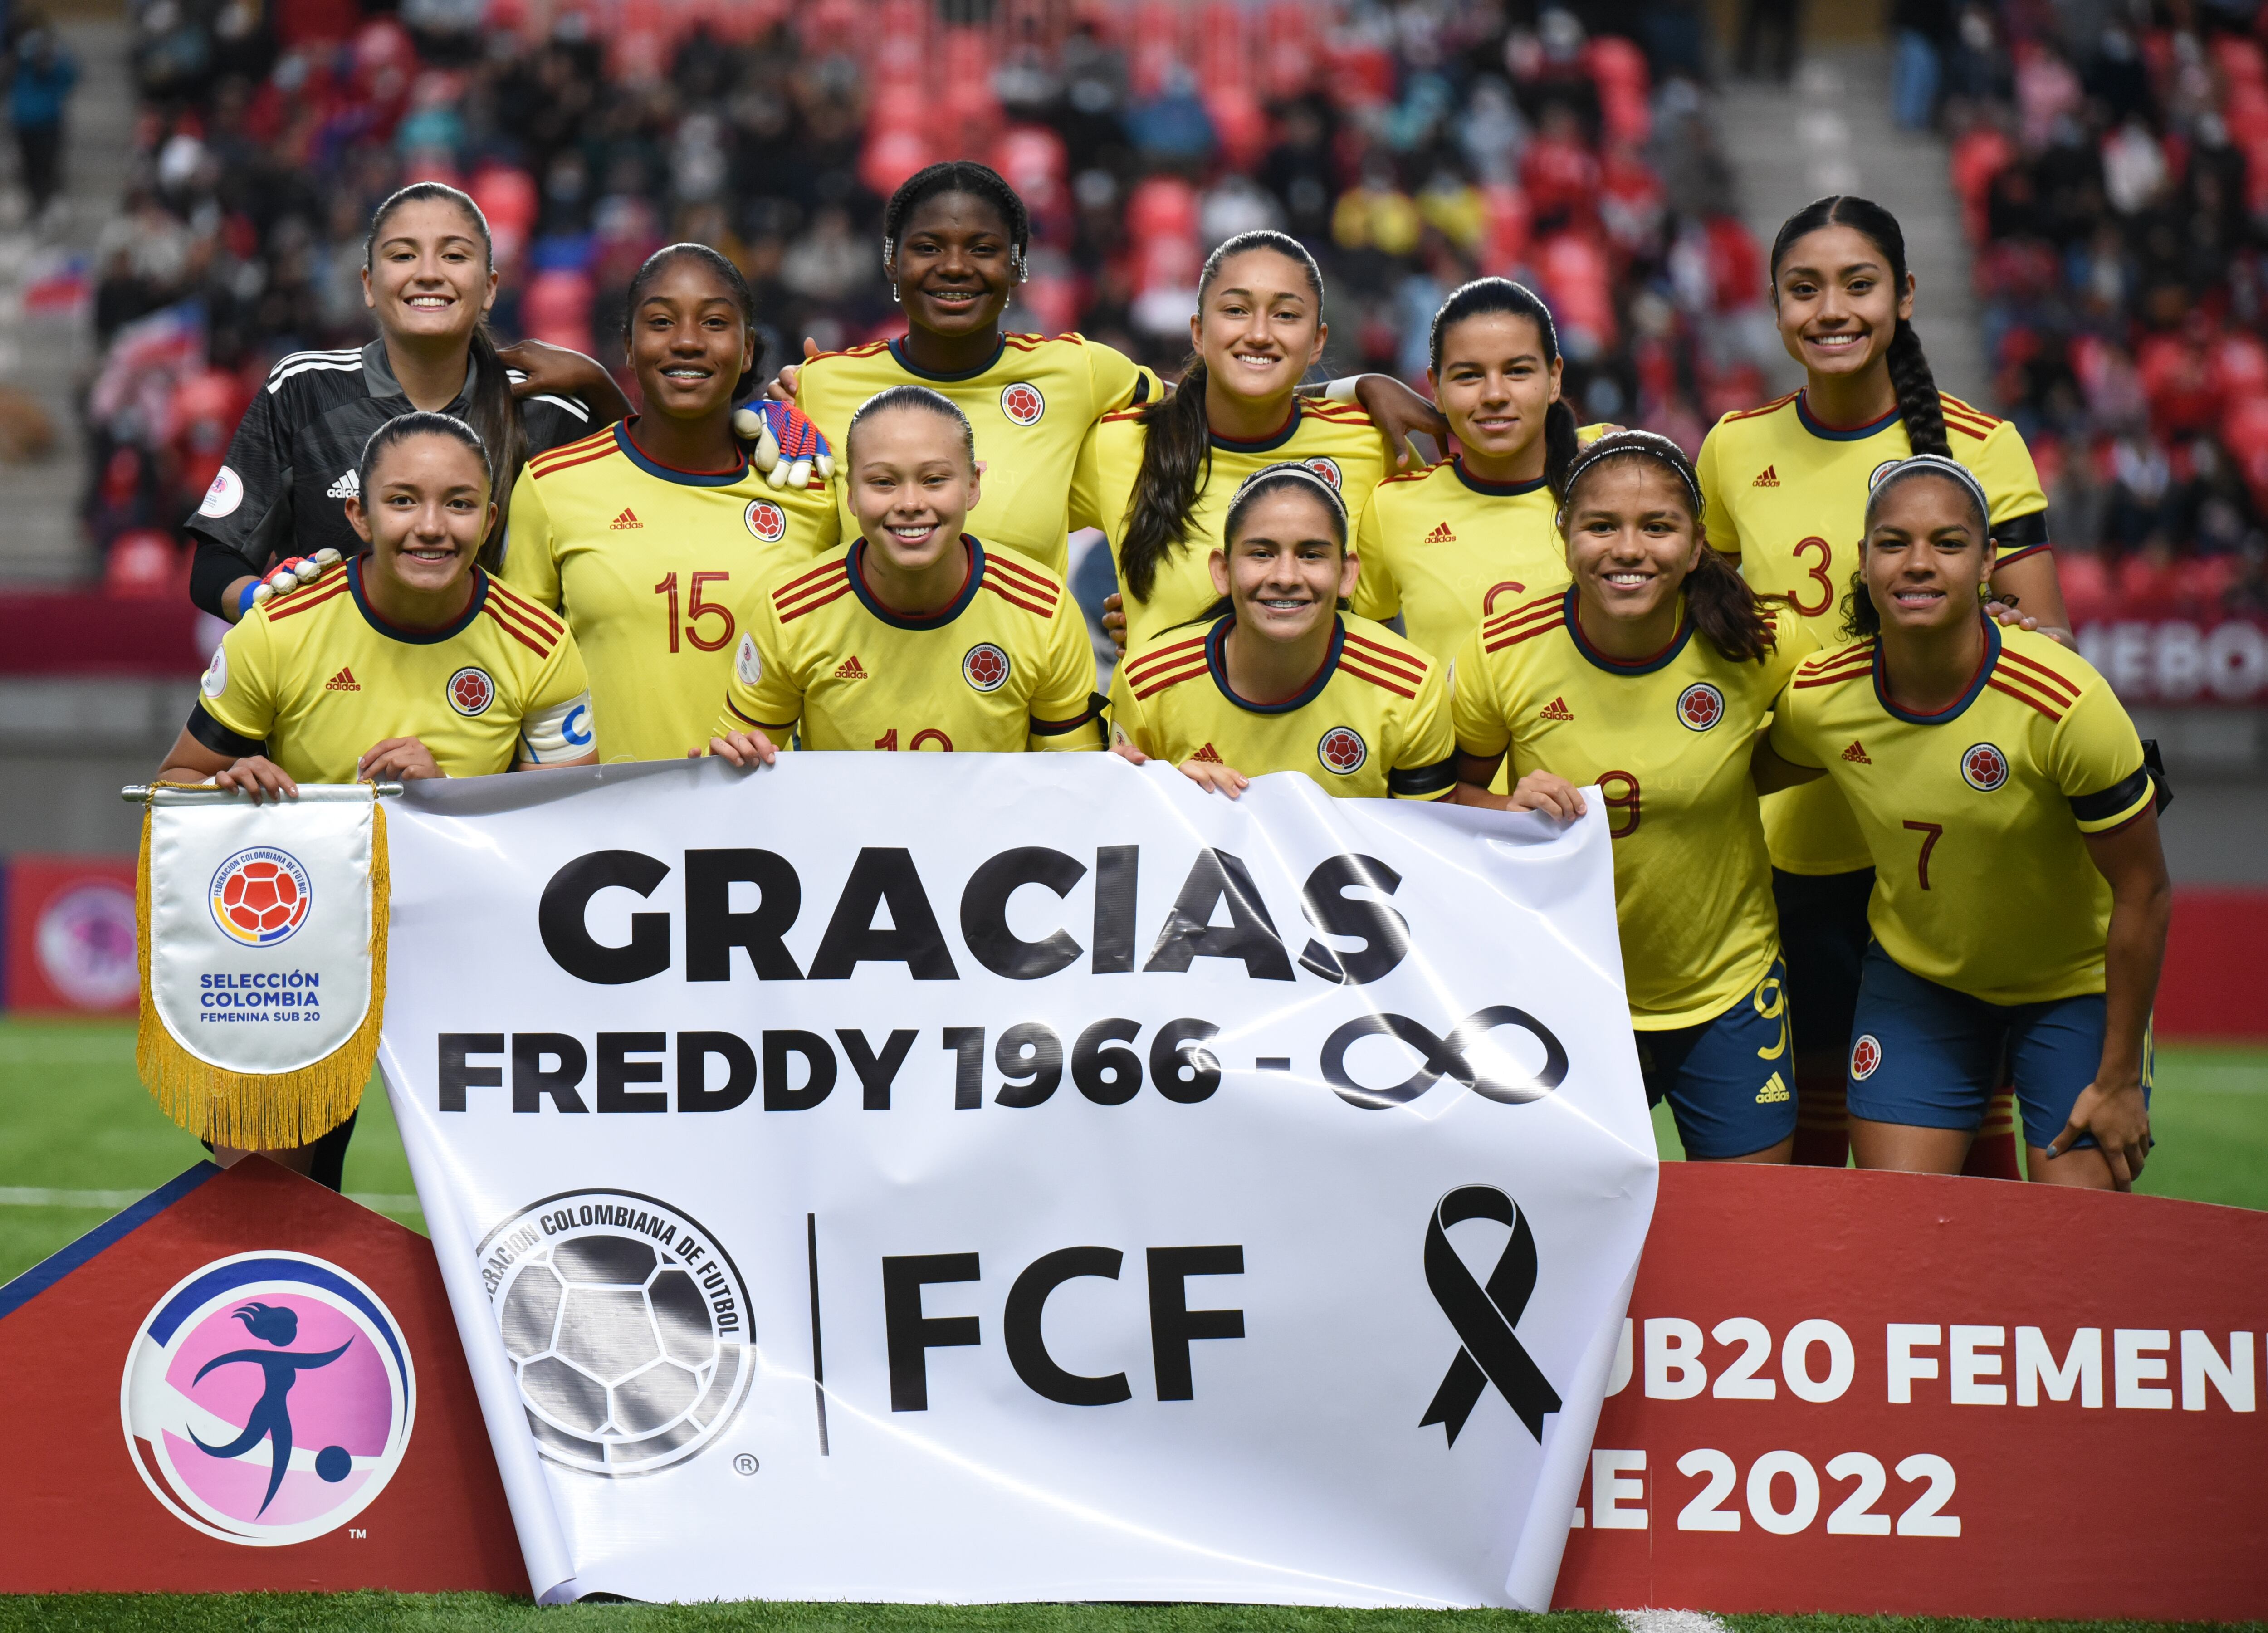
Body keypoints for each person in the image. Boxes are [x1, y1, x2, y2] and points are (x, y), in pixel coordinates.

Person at [1696, 194, 2068, 1175]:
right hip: (1793, 843)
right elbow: (1711, 620)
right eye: (1803, 289)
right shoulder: (1732, 447)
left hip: (1945, 833)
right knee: (1813, 1141)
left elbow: (2050, 643)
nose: (1831, 310)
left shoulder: (1978, 446)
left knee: (1960, 1128)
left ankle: (1958, 1332)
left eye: (1858, 285)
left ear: (1904, 296)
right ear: (1774, 307)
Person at [156, 413, 598, 1187]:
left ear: (490, 521)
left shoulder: (540, 644)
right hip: (303, 949)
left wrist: (449, 797)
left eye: (459, 504)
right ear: (359, 515)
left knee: (514, 1196)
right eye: (403, 502)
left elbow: (570, 828)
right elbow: (176, 785)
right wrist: (230, 792)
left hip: (470, 957)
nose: (432, 527)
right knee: (266, 1196)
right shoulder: (280, 632)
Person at [1756, 457, 2168, 1191]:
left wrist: (2118, 1082)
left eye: (1947, 544)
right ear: (1864, 560)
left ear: (1987, 563)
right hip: (1921, 983)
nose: (1918, 564)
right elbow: (1727, 777)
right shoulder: (1821, 696)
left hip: (2071, 985)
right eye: (1893, 543)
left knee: (2074, 1241)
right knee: (1902, 1229)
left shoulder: (2065, 701)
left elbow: (2143, 892)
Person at [782, 162, 1443, 580]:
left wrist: (1353, 385)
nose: (955, 267)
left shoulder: (1079, 371)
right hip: (858, 726)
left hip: (1027, 725)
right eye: (928, 248)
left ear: (1017, 268)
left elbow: (1217, 398)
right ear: (893, 263)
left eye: (983, 249)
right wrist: (765, 413)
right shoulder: (822, 387)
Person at [1451, 431, 1812, 1162]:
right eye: (1601, 526)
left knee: (1752, 1231)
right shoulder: (1504, 652)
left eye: (1658, 527)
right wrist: (1506, 809)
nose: (1628, 549)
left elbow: (1864, 711)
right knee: (1568, 1235)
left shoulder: (1762, 641)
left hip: (1727, 989)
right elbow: (1439, 800)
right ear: (1564, 536)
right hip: (1566, 995)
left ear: (1697, 542)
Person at [185, 181, 631, 623]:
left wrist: (600, 387)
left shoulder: (549, 411)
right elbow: (216, 561)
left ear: (491, 287)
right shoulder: (304, 390)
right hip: (333, 689)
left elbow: (655, 529)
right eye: (402, 255)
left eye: (454, 256)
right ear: (369, 284)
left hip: (499, 693)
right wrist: (266, 602)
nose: (429, 273)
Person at [502, 243, 838, 763]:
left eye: (714, 323)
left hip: (772, 823)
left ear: (748, 350)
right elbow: (516, 672)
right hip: (608, 824)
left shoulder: (810, 488)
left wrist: (813, 415)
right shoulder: (552, 485)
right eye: (660, 322)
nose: (686, 341)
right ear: (629, 346)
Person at [707, 386, 1103, 763]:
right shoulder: (792, 612)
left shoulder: (1043, 610)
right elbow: (743, 763)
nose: (910, 503)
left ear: (972, 486)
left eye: (934, 480)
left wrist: (1118, 779)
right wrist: (727, 764)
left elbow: (1074, 780)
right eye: (883, 482)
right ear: (851, 496)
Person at [1073, 231, 1391, 654]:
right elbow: (1008, 529)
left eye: (1286, 315)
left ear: (1317, 341)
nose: (1259, 333)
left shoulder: (1370, 445)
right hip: (1155, 718)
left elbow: (1383, 615)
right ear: (1199, 333)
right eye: (1237, 310)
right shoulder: (1118, 444)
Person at [1109, 462, 1455, 803]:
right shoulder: (1148, 685)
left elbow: (1429, 844)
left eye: (1311, 555)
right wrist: (1168, 800)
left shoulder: (1410, 686)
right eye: (1262, 553)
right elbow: (1116, 831)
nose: (1286, 578)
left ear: (1347, 574)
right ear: (1222, 571)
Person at [1353, 279, 1591, 667]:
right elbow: (1363, 660)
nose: (1494, 394)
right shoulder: (1393, 508)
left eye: (1517, 371)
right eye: (1468, 375)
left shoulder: (1604, 482)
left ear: (1555, 379)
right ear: (1435, 389)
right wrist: (1358, 386)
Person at [8, 18, 75, 219]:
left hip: (48, 123)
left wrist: (53, 60)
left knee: (48, 166)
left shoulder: (57, 61)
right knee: (28, 168)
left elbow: (71, 77)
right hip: (24, 123)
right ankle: (34, 204)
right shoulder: (21, 60)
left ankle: (49, 204)